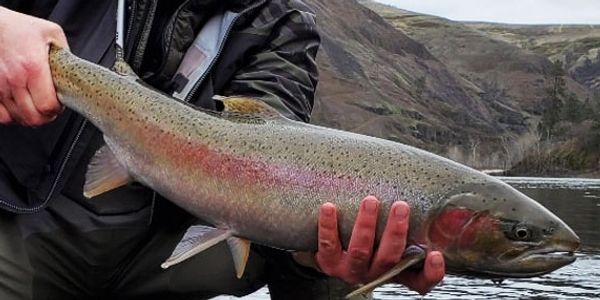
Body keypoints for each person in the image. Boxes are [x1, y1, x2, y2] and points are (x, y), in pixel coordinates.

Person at [0, 1, 445, 299]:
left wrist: (316, 256)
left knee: (330, 276)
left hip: (173, 254)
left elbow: (272, 159)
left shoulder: (282, 27)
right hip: (20, 227)